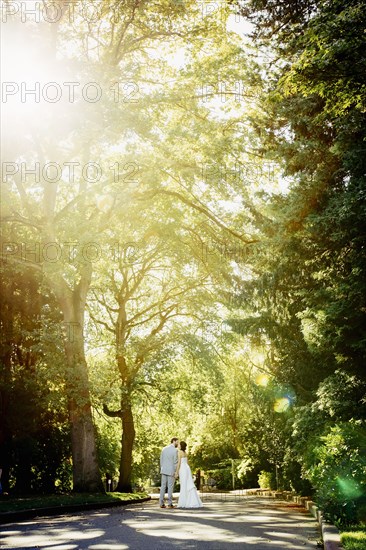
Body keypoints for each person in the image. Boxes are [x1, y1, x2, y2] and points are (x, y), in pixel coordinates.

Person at [175, 441, 203, 509]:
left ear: (181, 446)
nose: (178, 445)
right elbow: (187, 463)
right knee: (188, 483)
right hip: (187, 468)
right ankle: (191, 501)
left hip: (182, 468)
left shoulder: (179, 452)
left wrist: (176, 472)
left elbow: (179, 463)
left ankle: (183, 502)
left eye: (179, 444)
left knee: (183, 484)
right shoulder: (185, 453)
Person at [159, 437, 179, 508]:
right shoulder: (175, 450)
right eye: (177, 442)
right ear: (174, 441)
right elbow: (175, 462)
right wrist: (175, 472)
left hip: (164, 470)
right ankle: (170, 504)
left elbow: (161, 460)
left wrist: (162, 468)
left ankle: (161, 503)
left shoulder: (164, 449)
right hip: (171, 471)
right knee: (170, 487)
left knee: (163, 487)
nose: (178, 443)